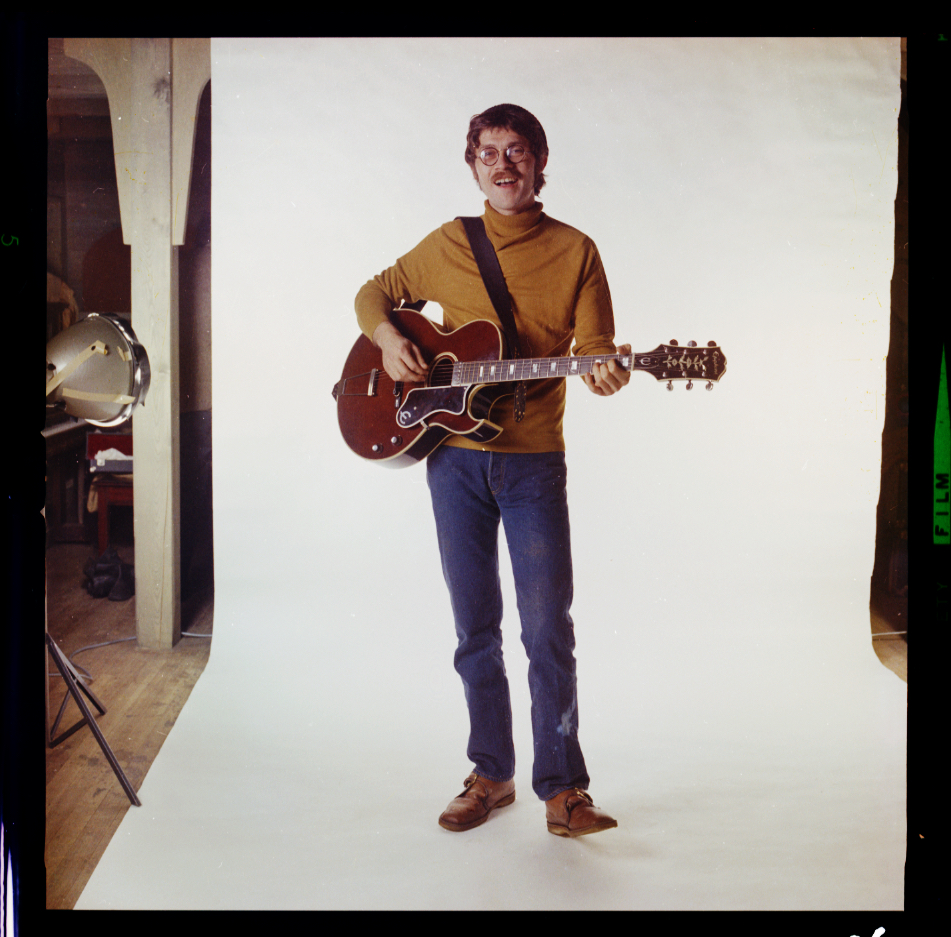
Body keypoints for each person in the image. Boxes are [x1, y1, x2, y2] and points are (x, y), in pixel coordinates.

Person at [354, 103, 630, 837]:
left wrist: (606, 370)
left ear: (540, 162)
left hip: (533, 463)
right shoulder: (448, 243)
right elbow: (371, 293)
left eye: (516, 151)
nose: (502, 164)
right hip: (451, 462)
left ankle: (563, 788)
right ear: (472, 164)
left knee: (546, 630)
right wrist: (386, 338)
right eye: (487, 152)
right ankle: (491, 773)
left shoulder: (577, 251)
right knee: (474, 628)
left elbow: (597, 345)